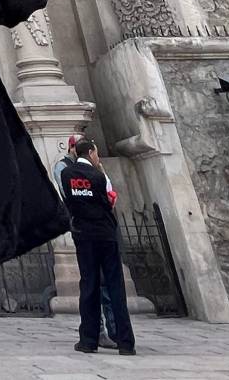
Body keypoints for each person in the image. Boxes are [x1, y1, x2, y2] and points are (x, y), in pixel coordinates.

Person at [62, 138, 134, 357]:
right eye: (96, 153)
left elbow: (68, 200)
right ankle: (125, 342)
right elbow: (109, 201)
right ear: (91, 152)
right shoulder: (99, 176)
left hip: (84, 235)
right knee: (115, 287)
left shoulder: (67, 175)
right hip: (105, 234)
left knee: (89, 285)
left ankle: (88, 340)